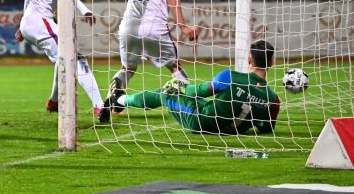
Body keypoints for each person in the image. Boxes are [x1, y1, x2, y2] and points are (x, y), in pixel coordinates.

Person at [108, 39, 281, 135]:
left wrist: (179, 88)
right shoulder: (274, 99)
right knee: (174, 90)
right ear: (272, 62)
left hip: (201, 121)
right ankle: (120, 101)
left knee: (167, 92)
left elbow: (198, 92)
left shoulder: (230, 77)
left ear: (249, 60)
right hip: (233, 130)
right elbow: (266, 128)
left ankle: (119, 100)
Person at [104, 0, 199, 110]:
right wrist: (183, 26)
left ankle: (115, 98)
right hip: (154, 28)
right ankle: (187, 106)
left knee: (128, 68)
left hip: (127, 28)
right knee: (175, 66)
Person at [16, 0, 106, 121]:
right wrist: (85, 11)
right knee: (76, 58)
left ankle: (54, 101)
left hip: (31, 22)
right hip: (40, 23)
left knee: (63, 58)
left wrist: (21, 27)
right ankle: (100, 107)